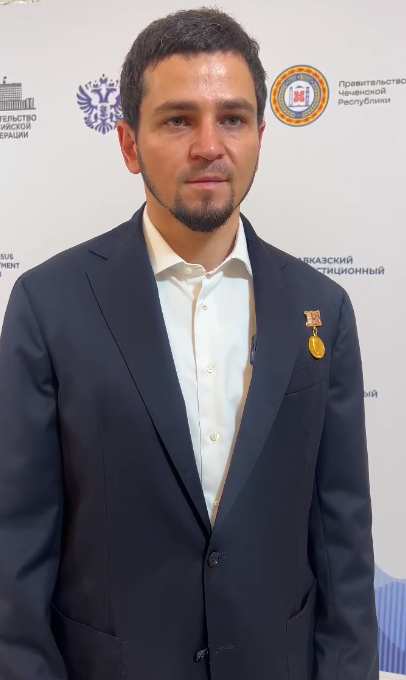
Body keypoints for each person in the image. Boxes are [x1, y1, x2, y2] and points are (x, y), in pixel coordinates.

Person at [0, 7, 379, 680]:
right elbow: (16, 552)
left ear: (260, 135)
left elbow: (343, 545)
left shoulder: (322, 309)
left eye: (232, 118)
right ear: (128, 144)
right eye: (179, 120)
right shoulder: (48, 306)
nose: (210, 145)